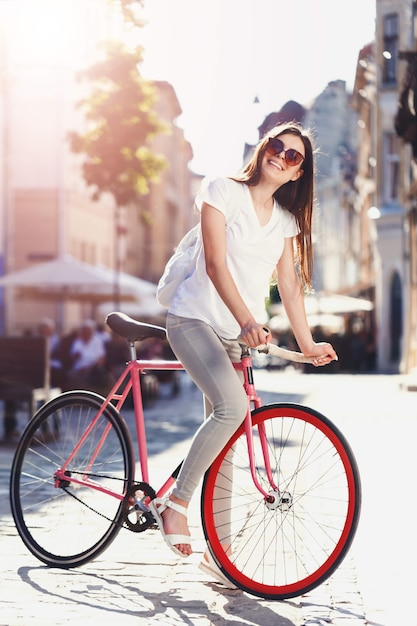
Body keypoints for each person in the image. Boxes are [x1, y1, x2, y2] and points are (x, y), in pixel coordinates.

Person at [149, 122, 338, 586]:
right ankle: (173, 505)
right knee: (233, 408)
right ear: (264, 149)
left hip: (235, 336)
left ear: (298, 174)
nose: (282, 157)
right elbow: (214, 264)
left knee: (229, 443)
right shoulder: (222, 191)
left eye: (294, 157)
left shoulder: (286, 221)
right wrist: (249, 320)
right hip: (193, 320)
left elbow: (290, 288)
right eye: (278, 147)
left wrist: (307, 342)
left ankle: (222, 550)